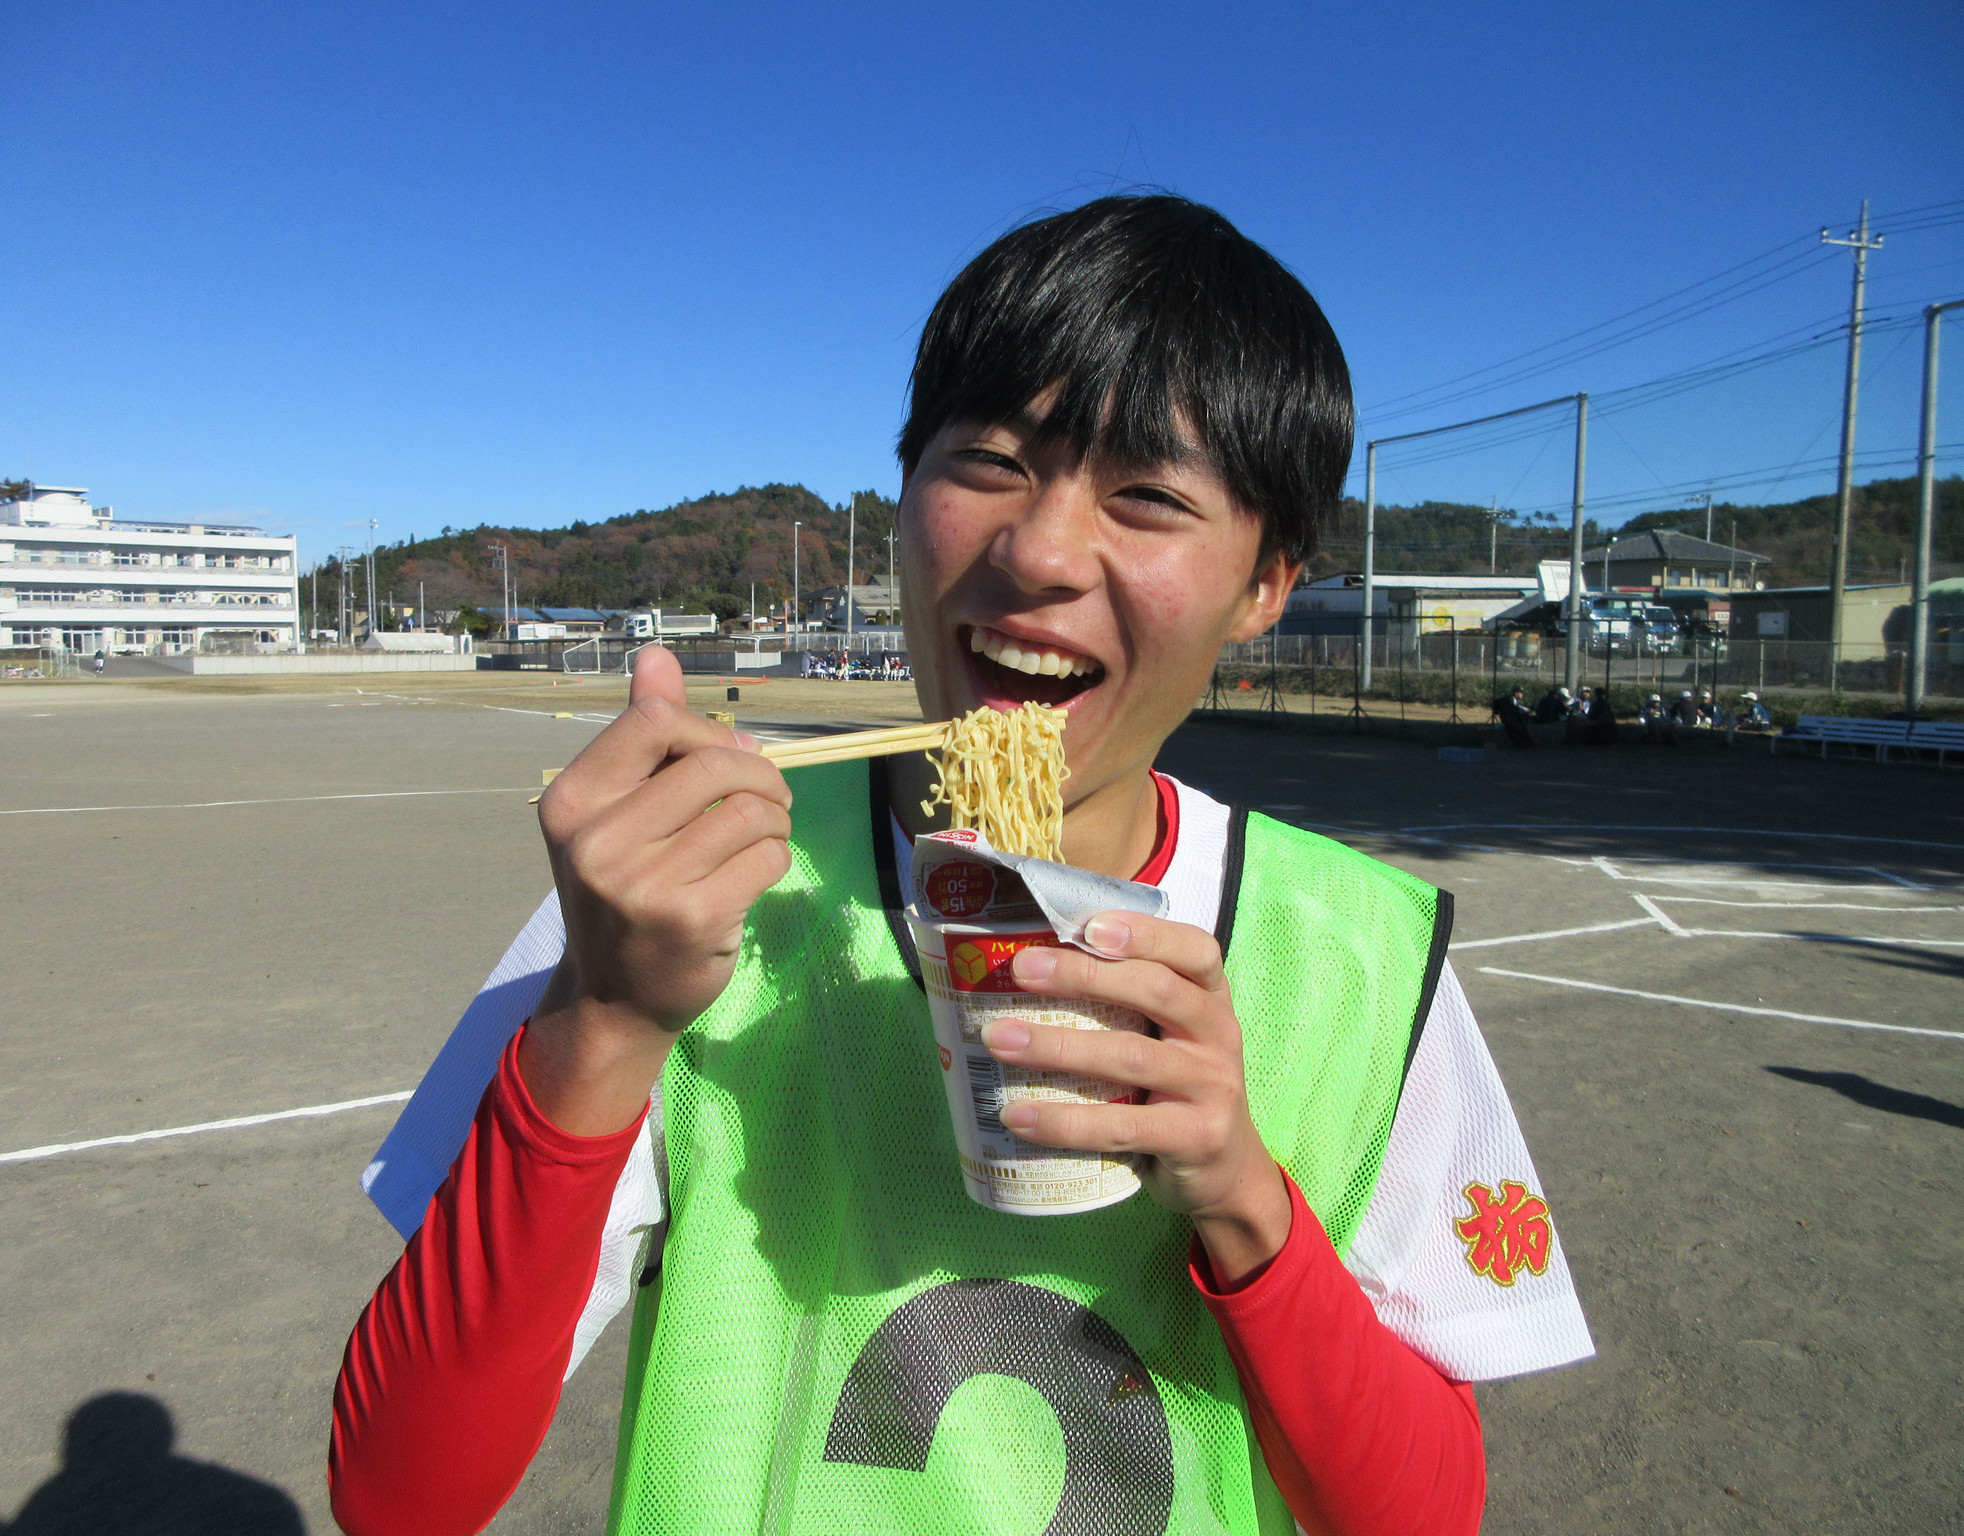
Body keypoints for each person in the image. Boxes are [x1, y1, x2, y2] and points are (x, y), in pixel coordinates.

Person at [328, 196, 1592, 1536]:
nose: (1038, 552)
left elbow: (1427, 1515)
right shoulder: (683, 894)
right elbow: (401, 1498)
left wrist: (1245, 1204)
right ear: (904, 485)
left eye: (1150, 497)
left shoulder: (1354, 954)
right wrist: (608, 1018)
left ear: (1268, 583)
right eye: (987, 462)